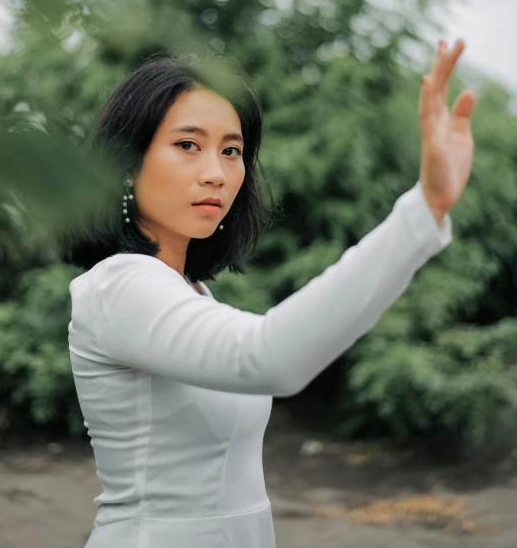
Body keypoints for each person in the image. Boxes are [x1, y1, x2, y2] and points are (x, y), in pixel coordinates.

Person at [62, 40, 475, 548]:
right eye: (188, 145)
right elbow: (269, 357)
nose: (215, 171)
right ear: (126, 165)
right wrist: (422, 212)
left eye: (231, 150)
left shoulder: (190, 292)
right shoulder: (119, 285)